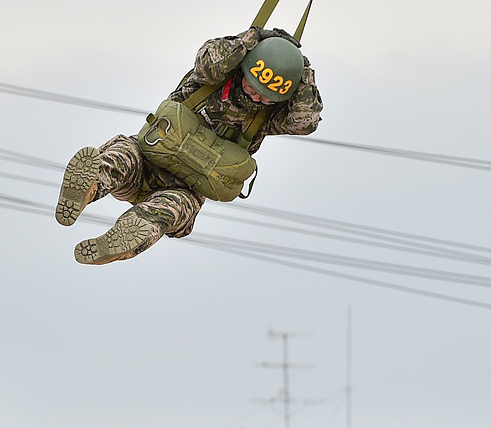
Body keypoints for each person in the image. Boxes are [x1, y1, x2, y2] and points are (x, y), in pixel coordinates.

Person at [57, 26, 322, 265]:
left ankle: (124, 239)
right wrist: (252, 38)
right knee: (122, 157)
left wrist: (303, 72)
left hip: (182, 190)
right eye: (252, 87)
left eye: (265, 98)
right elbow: (208, 57)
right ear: (243, 69)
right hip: (145, 159)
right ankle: (90, 183)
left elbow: (306, 121)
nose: (255, 97)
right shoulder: (210, 79)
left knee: (170, 210)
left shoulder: (266, 120)